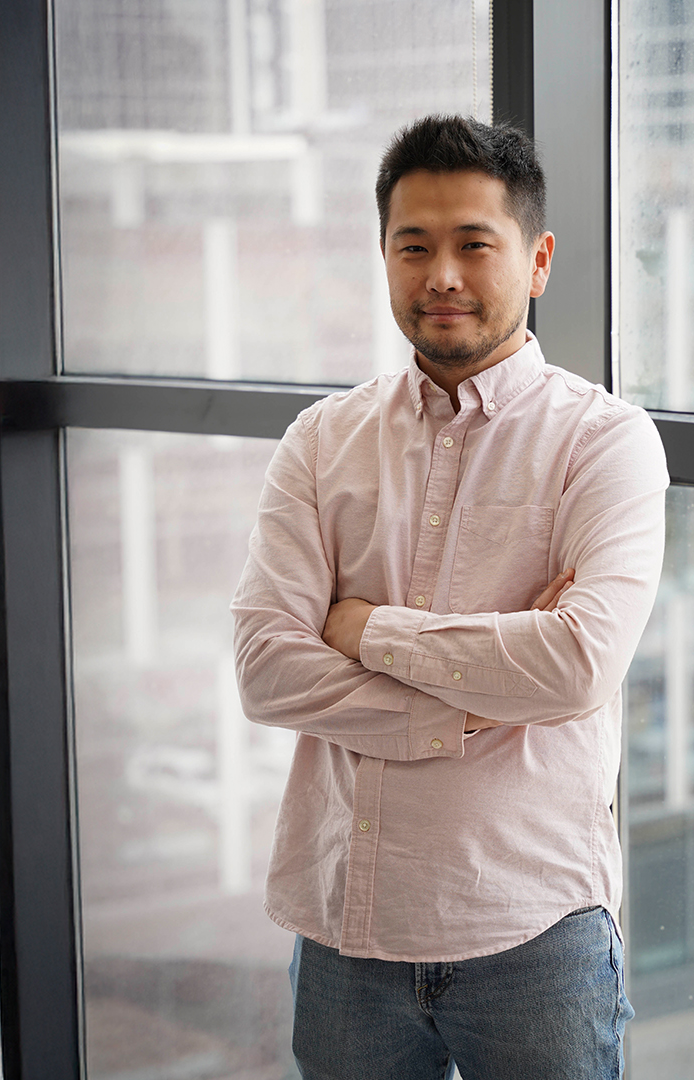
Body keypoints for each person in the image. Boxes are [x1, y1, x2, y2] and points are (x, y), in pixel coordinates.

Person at [230, 114, 668, 1079]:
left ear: (539, 258)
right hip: (348, 929)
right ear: (384, 257)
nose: (442, 276)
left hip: (534, 931)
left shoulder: (605, 442)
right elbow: (266, 671)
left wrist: (363, 628)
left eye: (475, 244)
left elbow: (579, 661)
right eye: (413, 246)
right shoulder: (321, 440)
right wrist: (480, 700)